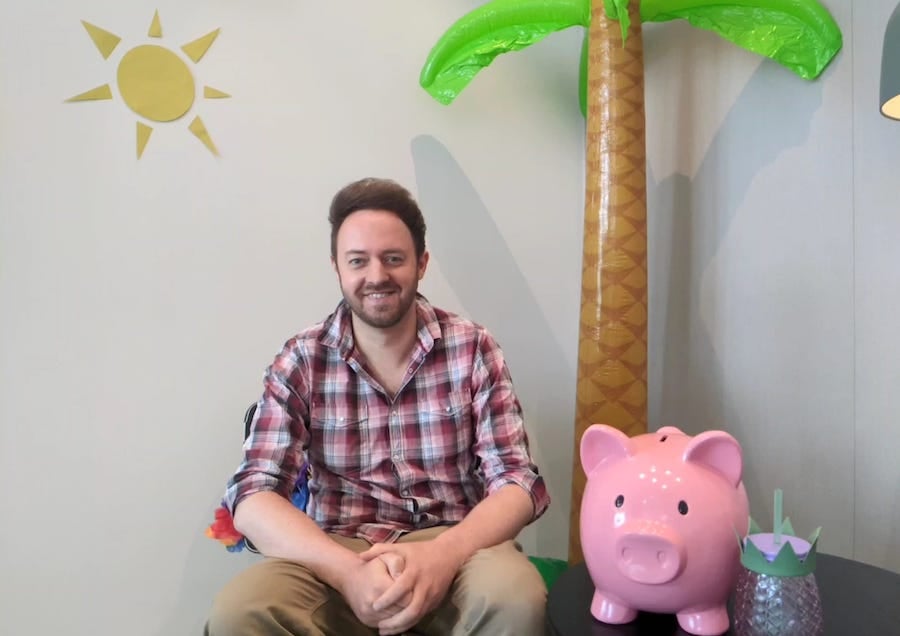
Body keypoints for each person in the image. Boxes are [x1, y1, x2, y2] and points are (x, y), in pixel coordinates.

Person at [205, 177, 550, 636]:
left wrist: (442, 556)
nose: (376, 276)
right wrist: (347, 573)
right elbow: (253, 496)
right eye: (358, 261)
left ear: (421, 263)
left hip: (455, 546)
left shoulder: (472, 348)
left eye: (393, 258)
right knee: (240, 612)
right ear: (337, 269)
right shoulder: (302, 358)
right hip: (336, 552)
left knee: (515, 597)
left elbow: (516, 482)